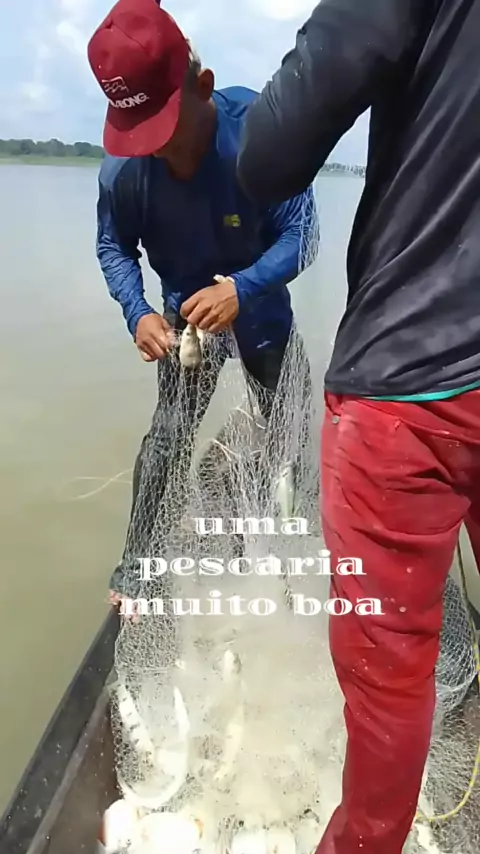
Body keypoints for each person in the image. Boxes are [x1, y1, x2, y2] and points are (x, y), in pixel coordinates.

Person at [236, 1, 480, 853]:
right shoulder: (125, 189)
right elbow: (116, 252)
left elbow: (269, 159)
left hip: (411, 376)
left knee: (389, 675)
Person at [86, 0, 316, 603]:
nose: (157, 152)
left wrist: (242, 287)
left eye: (166, 131)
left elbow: (303, 235)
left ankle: (290, 553)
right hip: (186, 323)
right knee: (168, 434)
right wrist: (138, 312)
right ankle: (136, 572)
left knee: (290, 435)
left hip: (261, 313)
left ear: (204, 86)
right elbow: (113, 246)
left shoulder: (261, 135)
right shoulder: (123, 173)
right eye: (141, 137)